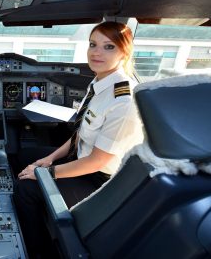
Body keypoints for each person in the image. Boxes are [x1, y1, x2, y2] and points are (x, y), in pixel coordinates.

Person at [14, 21, 144, 258]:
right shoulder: (99, 82)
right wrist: (50, 158)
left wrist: (45, 173)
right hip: (81, 160)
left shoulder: (124, 100)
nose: (96, 52)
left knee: (25, 188)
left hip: (101, 182)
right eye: (93, 44)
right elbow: (81, 131)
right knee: (23, 156)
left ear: (125, 52)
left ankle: (38, 250)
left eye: (109, 47)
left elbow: (95, 162)